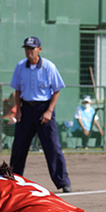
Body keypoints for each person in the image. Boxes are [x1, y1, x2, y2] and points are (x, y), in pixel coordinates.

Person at [10, 36, 72, 193]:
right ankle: (13, 180)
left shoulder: (48, 67)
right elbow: (17, 90)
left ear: (39, 49)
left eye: (32, 49)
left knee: (52, 147)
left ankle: (63, 182)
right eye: (26, 49)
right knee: (19, 146)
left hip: (44, 109)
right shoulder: (20, 67)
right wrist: (18, 110)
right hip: (26, 109)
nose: (29, 52)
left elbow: (57, 89)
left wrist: (49, 111)